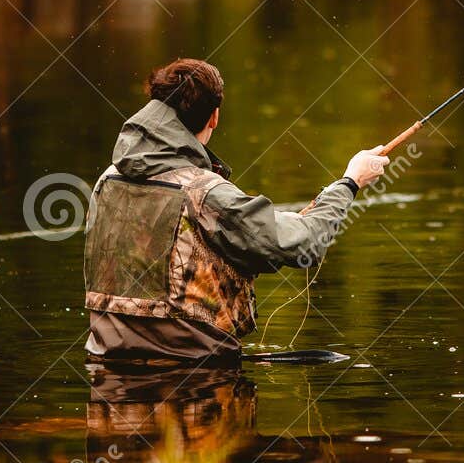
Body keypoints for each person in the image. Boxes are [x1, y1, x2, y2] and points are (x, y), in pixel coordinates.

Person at [84, 57, 389, 364]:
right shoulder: (204, 192)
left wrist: (282, 221)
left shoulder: (106, 180)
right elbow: (302, 245)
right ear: (214, 117)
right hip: (196, 378)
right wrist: (350, 182)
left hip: (106, 369)